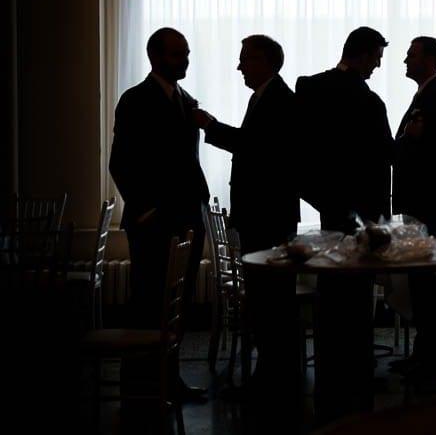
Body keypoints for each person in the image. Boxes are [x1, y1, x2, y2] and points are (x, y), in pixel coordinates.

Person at [294, 26, 394, 417]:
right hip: (364, 209)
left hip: (328, 203)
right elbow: (385, 155)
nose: (378, 65)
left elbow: (300, 149)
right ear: (365, 54)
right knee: (357, 292)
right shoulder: (370, 102)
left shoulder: (310, 88)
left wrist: (319, 195)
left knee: (331, 284)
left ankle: (330, 363)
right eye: (377, 57)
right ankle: (356, 364)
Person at [194, 34, 299, 393]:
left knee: (271, 302)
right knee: (268, 301)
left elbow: (255, 148)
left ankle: (274, 376)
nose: (239, 66)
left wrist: (210, 126)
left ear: (267, 62)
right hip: (266, 215)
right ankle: (274, 373)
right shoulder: (266, 97)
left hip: (267, 216)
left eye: (245, 58)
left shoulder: (279, 100)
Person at [108, 27, 208, 402]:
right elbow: (121, 162)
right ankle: (138, 384)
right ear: (156, 57)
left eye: (186, 53)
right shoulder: (135, 100)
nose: (184, 60)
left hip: (187, 219)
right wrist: (146, 209)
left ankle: (170, 379)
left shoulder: (186, 100)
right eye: (177, 54)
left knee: (175, 307)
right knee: (147, 303)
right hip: (153, 222)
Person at [390, 36, 436, 383]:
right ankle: (424, 352)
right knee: (420, 279)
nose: (405, 59)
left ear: (430, 60)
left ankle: (433, 358)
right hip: (419, 199)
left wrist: (415, 139)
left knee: (426, 279)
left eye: (411, 54)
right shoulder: (425, 95)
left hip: (427, 199)